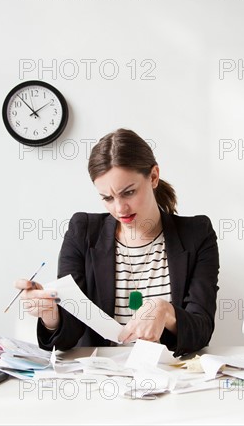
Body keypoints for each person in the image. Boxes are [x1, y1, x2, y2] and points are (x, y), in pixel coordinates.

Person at [14, 128, 219, 357]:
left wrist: (165, 311)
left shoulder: (197, 234)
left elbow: (202, 330)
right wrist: (50, 314)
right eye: (108, 198)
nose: (120, 209)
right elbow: (69, 335)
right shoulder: (83, 232)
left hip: (171, 374)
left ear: (153, 176)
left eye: (129, 192)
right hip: (100, 377)